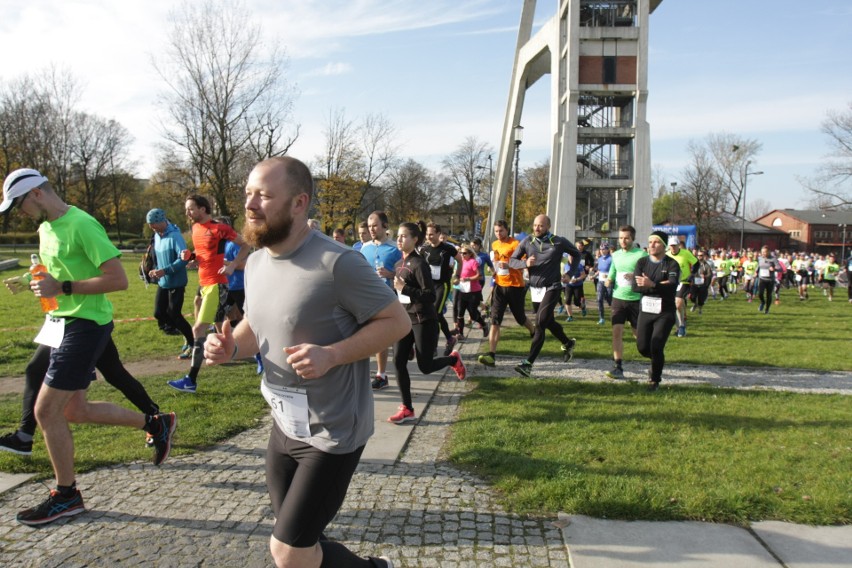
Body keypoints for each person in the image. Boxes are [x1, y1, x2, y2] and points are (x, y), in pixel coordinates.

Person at [204, 156, 408, 568]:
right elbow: (256, 326)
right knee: (298, 538)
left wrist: (332, 355)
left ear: (299, 203)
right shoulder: (258, 260)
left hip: (331, 434)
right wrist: (231, 349)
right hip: (283, 427)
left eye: (263, 195)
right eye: (248, 193)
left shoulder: (338, 263)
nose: (250, 204)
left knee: (288, 551)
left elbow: (397, 321)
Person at [0, 168, 176, 526]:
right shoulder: (45, 228)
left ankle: (67, 495)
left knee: (46, 412)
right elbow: (55, 272)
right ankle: (156, 424)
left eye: (18, 206)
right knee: (73, 411)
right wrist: (30, 282)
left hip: (86, 325)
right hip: (62, 323)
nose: (19, 214)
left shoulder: (82, 224)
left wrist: (62, 288)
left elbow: (118, 278)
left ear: (36, 194)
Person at [168, 195, 250, 393]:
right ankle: (255, 353)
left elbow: (245, 244)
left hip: (216, 285)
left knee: (198, 329)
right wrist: (191, 257)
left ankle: (191, 380)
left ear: (203, 209)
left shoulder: (219, 228)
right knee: (225, 324)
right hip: (204, 283)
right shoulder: (196, 229)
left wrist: (232, 266)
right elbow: (202, 253)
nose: (187, 212)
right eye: (186, 209)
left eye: (190, 209)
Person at [389, 222, 466, 424]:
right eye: (398, 236)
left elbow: (430, 295)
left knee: (425, 366)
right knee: (397, 362)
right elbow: (399, 295)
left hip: (424, 320)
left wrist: (404, 289)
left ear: (415, 240)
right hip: (404, 321)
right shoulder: (398, 265)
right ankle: (407, 408)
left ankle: (453, 360)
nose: (399, 239)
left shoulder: (419, 264)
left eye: (404, 236)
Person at [509, 214, 580, 378]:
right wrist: (524, 264)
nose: (536, 228)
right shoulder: (527, 241)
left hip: (553, 287)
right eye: (534, 225)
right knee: (548, 322)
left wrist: (570, 273)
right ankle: (568, 343)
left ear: (548, 226)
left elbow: (576, 254)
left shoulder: (559, 241)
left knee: (540, 323)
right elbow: (512, 261)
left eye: (540, 226)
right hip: (535, 289)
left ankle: (528, 364)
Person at [477, 220, 534, 367]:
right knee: (495, 320)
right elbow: (496, 262)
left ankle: (534, 331)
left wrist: (509, 265)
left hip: (515, 286)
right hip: (500, 286)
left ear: (507, 230)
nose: (498, 234)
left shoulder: (516, 244)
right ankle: (491, 355)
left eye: (501, 231)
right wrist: (494, 270)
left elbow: (525, 264)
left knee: (520, 318)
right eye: (496, 231)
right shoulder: (495, 244)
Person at [359, 211, 403, 390]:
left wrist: (392, 274)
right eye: (369, 226)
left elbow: (406, 273)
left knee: (381, 338)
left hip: (388, 298)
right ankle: (374, 374)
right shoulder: (365, 248)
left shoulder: (395, 249)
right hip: (366, 298)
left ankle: (381, 374)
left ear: (385, 226)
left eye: (375, 225)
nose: (371, 229)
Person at [632, 230, 681, 391]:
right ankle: (657, 361)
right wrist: (660, 285)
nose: (652, 245)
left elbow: (672, 286)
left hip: (665, 312)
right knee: (642, 347)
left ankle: (654, 379)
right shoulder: (642, 263)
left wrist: (652, 284)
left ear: (664, 245)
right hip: (645, 310)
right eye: (650, 241)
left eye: (656, 242)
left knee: (656, 345)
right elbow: (636, 287)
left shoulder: (672, 264)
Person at [146, 208, 195, 359]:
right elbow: (159, 257)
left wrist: (165, 271)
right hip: (163, 281)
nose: (151, 227)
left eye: (154, 224)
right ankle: (187, 334)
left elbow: (183, 259)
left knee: (174, 314)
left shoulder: (175, 236)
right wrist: (154, 270)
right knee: (159, 313)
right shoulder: (157, 235)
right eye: (149, 224)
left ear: (162, 221)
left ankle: (193, 344)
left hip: (176, 282)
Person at [603, 225, 647, 380]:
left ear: (632, 238)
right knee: (616, 332)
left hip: (635, 300)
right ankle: (618, 366)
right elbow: (613, 271)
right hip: (618, 299)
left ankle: (655, 359)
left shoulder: (641, 255)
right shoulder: (615, 255)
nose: (623, 240)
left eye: (626, 238)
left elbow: (646, 274)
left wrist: (635, 277)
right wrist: (609, 279)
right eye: (621, 238)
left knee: (639, 336)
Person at [421, 223, 462, 356]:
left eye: (432, 234)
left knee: (436, 314)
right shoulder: (425, 249)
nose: (429, 237)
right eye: (427, 234)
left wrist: (457, 275)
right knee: (432, 315)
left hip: (442, 285)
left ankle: (434, 345)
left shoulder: (447, 248)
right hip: (429, 285)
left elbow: (460, 260)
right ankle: (450, 339)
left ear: (439, 234)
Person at [453, 244, 489, 339]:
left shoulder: (473, 262)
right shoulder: (460, 262)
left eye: (464, 253)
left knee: (473, 314)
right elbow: (457, 274)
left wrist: (468, 279)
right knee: (460, 312)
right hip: (462, 290)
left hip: (473, 291)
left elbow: (480, 276)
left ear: (470, 254)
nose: (462, 255)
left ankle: (484, 325)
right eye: (460, 253)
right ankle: (460, 334)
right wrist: (456, 279)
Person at [665, 236, 696, 337]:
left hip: (684, 281)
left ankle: (681, 327)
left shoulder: (685, 253)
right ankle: (679, 327)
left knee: (678, 303)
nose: (673, 248)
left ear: (678, 245)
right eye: (671, 246)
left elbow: (696, 263)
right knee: (673, 305)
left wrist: (692, 274)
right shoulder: (666, 255)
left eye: (675, 245)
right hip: (671, 282)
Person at [561, 242, 589, 321]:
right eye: (570, 256)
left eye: (573, 256)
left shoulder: (578, 265)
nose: (571, 258)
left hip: (578, 285)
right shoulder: (566, 265)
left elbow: (583, 275)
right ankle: (570, 317)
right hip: (569, 285)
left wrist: (576, 279)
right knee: (567, 300)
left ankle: (582, 307)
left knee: (577, 302)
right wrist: (563, 277)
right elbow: (563, 274)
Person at [591, 242, 613, 324]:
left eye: (604, 249)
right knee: (599, 299)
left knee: (610, 298)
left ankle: (615, 314)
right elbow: (599, 270)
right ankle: (601, 318)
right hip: (600, 281)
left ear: (608, 250)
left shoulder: (611, 259)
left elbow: (614, 270)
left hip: (609, 282)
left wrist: (610, 279)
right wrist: (593, 276)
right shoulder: (599, 259)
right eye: (601, 249)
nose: (602, 251)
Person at [688, 249, 714, 314]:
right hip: (694, 283)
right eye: (698, 255)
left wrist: (704, 276)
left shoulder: (706, 265)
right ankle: (695, 304)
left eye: (701, 255)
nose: (700, 257)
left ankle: (700, 309)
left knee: (701, 299)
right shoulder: (694, 264)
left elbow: (710, 274)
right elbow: (690, 272)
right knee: (692, 297)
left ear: (704, 256)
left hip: (703, 284)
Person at [756, 245, 779, 314]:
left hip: (770, 280)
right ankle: (762, 302)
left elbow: (780, 268)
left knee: (769, 295)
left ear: (768, 252)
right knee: (760, 293)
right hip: (762, 279)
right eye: (762, 252)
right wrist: (756, 272)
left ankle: (767, 310)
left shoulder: (773, 259)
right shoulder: (760, 258)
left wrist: (774, 269)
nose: (763, 253)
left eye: (765, 252)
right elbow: (758, 266)